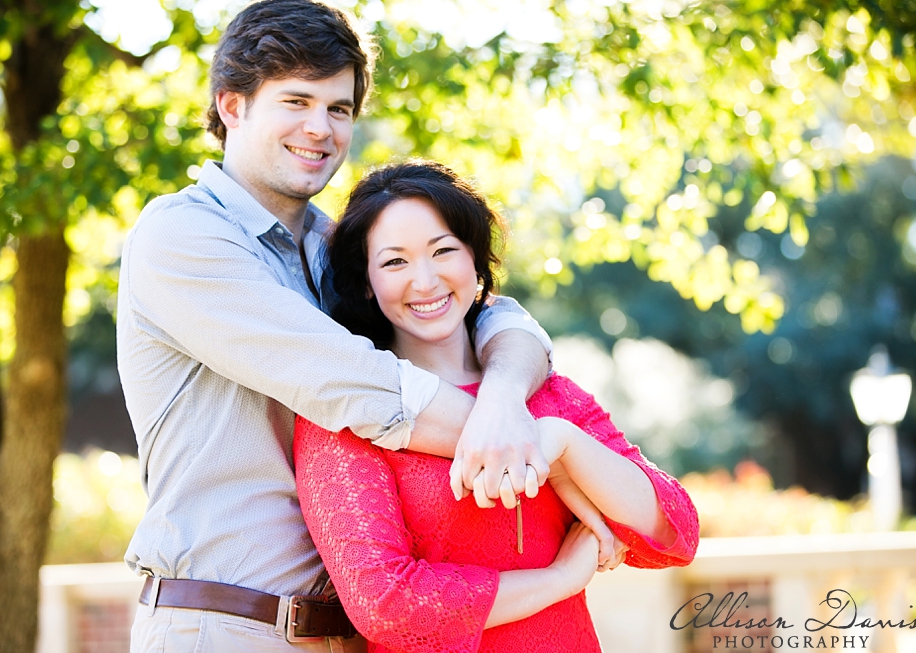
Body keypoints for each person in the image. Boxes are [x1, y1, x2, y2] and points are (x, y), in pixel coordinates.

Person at [118, 2, 556, 651]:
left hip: (358, 631)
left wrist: (501, 401)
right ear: (232, 105)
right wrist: (554, 447)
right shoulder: (180, 236)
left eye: (339, 108)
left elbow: (494, 316)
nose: (319, 128)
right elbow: (353, 384)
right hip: (226, 626)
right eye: (295, 101)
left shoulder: (339, 249)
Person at [293, 161, 700, 653]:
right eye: (395, 262)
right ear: (365, 282)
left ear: (475, 259)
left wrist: (562, 444)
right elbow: (386, 605)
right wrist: (559, 581)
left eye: (444, 251)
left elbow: (675, 531)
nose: (424, 281)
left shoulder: (549, 395)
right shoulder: (350, 415)